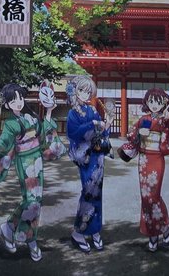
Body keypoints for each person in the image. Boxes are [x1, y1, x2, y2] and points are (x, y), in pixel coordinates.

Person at [0, 83, 61, 263]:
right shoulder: (10, 124)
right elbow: (4, 143)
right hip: (24, 162)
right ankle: (30, 241)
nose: (18, 102)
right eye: (13, 100)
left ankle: (7, 228)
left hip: (37, 161)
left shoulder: (30, 118)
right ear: (7, 104)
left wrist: (48, 113)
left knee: (33, 202)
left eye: (20, 98)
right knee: (32, 203)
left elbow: (42, 136)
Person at [120, 87, 169, 252]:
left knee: (154, 196)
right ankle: (152, 234)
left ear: (164, 104)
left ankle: (165, 226)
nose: (154, 105)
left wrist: (168, 120)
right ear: (146, 102)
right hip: (144, 159)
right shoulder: (143, 119)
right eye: (151, 101)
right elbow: (131, 135)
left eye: (158, 102)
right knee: (146, 198)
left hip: (157, 159)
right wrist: (139, 133)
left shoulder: (164, 120)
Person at [65, 75, 109, 253]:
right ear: (75, 90)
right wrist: (91, 124)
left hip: (98, 156)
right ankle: (80, 232)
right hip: (85, 156)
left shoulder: (93, 109)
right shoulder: (72, 113)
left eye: (88, 91)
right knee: (89, 193)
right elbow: (72, 134)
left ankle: (95, 230)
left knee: (97, 193)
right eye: (82, 90)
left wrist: (106, 126)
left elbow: (103, 131)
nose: (85, 94)